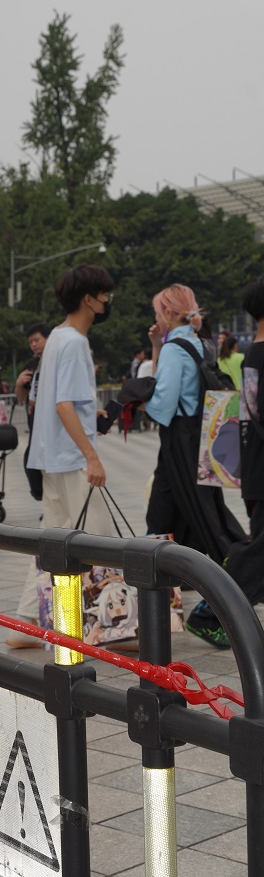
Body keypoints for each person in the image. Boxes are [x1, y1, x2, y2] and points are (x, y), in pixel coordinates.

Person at [10, 267, 116, 645]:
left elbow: (56, 400)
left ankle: (28, 621)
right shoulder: (74, 343)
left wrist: (91, 414)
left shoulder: (56, 336)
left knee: (51, 542)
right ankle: (112, 626)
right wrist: (92, 457)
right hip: (72, 459)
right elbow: (64, 405)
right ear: (89, 299)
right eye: (105, 295)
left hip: (51, 456)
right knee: (100, 541)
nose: (107, 302)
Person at [144, 283, 244, 568]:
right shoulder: (203, 343)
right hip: (201, 431)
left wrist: (140, 403)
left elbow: (164, 403)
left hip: (180, 434)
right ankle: (171, 570)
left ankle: (239, 567)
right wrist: (156, 346)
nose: (156, 318)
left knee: (200, 509)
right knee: (177, 502)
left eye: (157, 312)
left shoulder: (174, 349)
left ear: (167, 313)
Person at [187, 276, 264, 647]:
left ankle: (214, 612)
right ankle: (209, 612)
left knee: (258, 547)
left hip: (257, 468)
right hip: (262, 470)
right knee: (258, 551)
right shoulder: (261, 354)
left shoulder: (255, 353)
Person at [14, 322, 51, 502]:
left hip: (52, 425)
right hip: (35, 424)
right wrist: (19, 383)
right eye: (30, 342)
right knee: (32, 464)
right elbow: (21, 397)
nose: (34, 345)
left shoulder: (56, 361)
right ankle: (41, 497)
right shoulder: (32, 365)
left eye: (37, 340)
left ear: (48, 338)